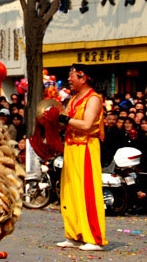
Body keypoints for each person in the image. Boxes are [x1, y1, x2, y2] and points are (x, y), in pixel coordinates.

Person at [46, 63, 106, 251]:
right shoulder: (73, 99)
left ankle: (93, 238)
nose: (69, 79)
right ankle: (74, 234)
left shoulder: (93, 99)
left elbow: (87, 125)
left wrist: (64, 119)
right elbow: (66, 123)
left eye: (72, 75)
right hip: (71, 147)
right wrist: (50, 118)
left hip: (86, 148)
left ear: (83, 77)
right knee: (70, 191)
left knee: (87, 191)